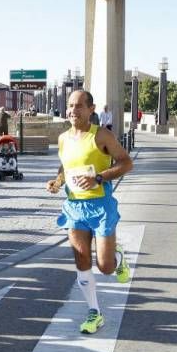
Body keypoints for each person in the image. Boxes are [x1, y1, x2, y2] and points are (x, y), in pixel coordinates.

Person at [46, 90, 132, 334]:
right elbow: (66, 166)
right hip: (75, 207)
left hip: (101, 206)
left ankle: (118, 257)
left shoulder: (101, 135)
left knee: (105, 267)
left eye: (79, 106)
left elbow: (126, 162)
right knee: (81, 259)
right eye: (70, 106)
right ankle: (94, 312)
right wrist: (57, 181)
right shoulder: (63, 138)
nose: (73, 110)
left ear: (91, 109)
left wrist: (99, 178)